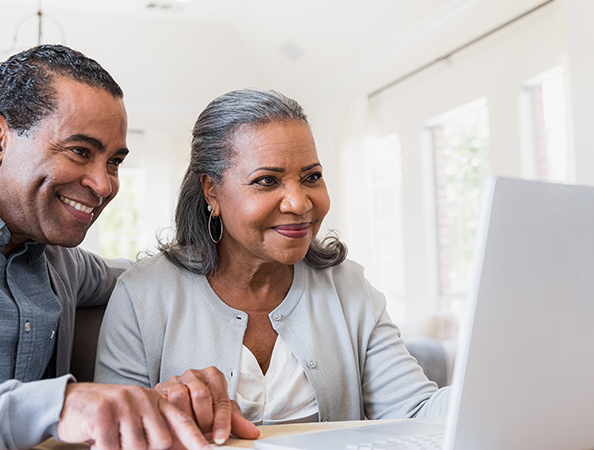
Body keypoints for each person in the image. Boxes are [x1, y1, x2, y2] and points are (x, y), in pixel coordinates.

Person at [0, 45, 257, 449]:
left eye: (114, 162)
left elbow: (147, 277)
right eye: (80, 151)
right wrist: (54, 405)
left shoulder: (57, 260)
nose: (104, 186)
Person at [95, 88, 451, 425]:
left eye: (312, 176)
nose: (299, 203)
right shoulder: (142, 296)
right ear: (212, 191)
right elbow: (118, 432)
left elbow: (417, 411)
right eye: (267, 180)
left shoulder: (349, 288)